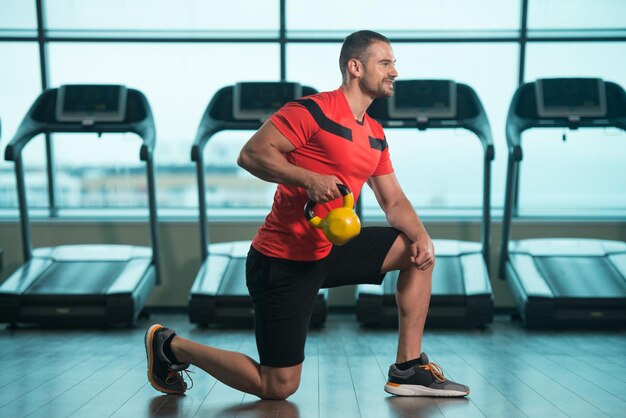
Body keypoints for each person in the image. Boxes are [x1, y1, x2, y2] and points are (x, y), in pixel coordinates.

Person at [144, 30, 470, 399]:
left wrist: (424, 237)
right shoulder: (312, 111)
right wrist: (309, 179)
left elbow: (393, 201)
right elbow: (251, 154)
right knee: (278, 386)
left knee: (416, 252)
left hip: (330, 249)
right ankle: (170, 346)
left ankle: (408, 368)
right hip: (281, 260)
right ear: (355, 67)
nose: (394, 70)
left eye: (394, 63)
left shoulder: (375, 133)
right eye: (385, 63)